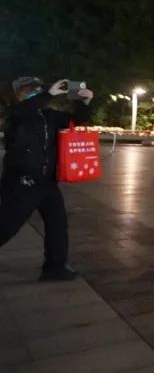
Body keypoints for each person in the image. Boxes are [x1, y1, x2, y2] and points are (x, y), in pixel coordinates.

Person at [1, 78, 94, 282]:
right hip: (22, 182)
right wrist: (48, 95)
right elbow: (23, 111)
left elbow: (75, 120)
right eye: (31, 90)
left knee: (57, 225)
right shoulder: (16, 114)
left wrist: (85, 102)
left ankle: (54, 268)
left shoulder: (48, 115)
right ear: (20, 94)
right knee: (7, 225)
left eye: (39, 88)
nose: (37, 92)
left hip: (47, 182)